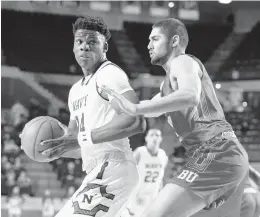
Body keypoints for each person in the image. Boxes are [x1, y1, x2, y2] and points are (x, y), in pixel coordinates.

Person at [101, 18, 249, 217]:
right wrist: (117, 105)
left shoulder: (183, 62)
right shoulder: (166, 87)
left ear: (174, 41)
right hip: (218, 155)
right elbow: (149, 110)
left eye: (155, 39)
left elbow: (190, 95)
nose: (148, 45)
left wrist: (134, 108)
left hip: (217, 151)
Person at [37, 16, 146, 217]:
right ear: (73, 47)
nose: (84, 47)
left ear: (105, 47)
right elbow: (77, 145)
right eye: (79, 42)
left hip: (113, 170)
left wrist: (82, 138)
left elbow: (135, 119)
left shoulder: (108, 75)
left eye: (92, 42)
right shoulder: (75, 91)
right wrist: (51, 149)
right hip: (98, 170)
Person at [122, 129, 168, 217]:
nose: (154, 137)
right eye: (152, 135)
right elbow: (128, 173)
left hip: (153, 195)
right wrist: (134, 193)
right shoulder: (140, 152)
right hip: (138, 193)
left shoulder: (163, 155)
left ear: (161, 138)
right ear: (146, 138)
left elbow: (160, 177)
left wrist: (160, 193)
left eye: (157, 135)